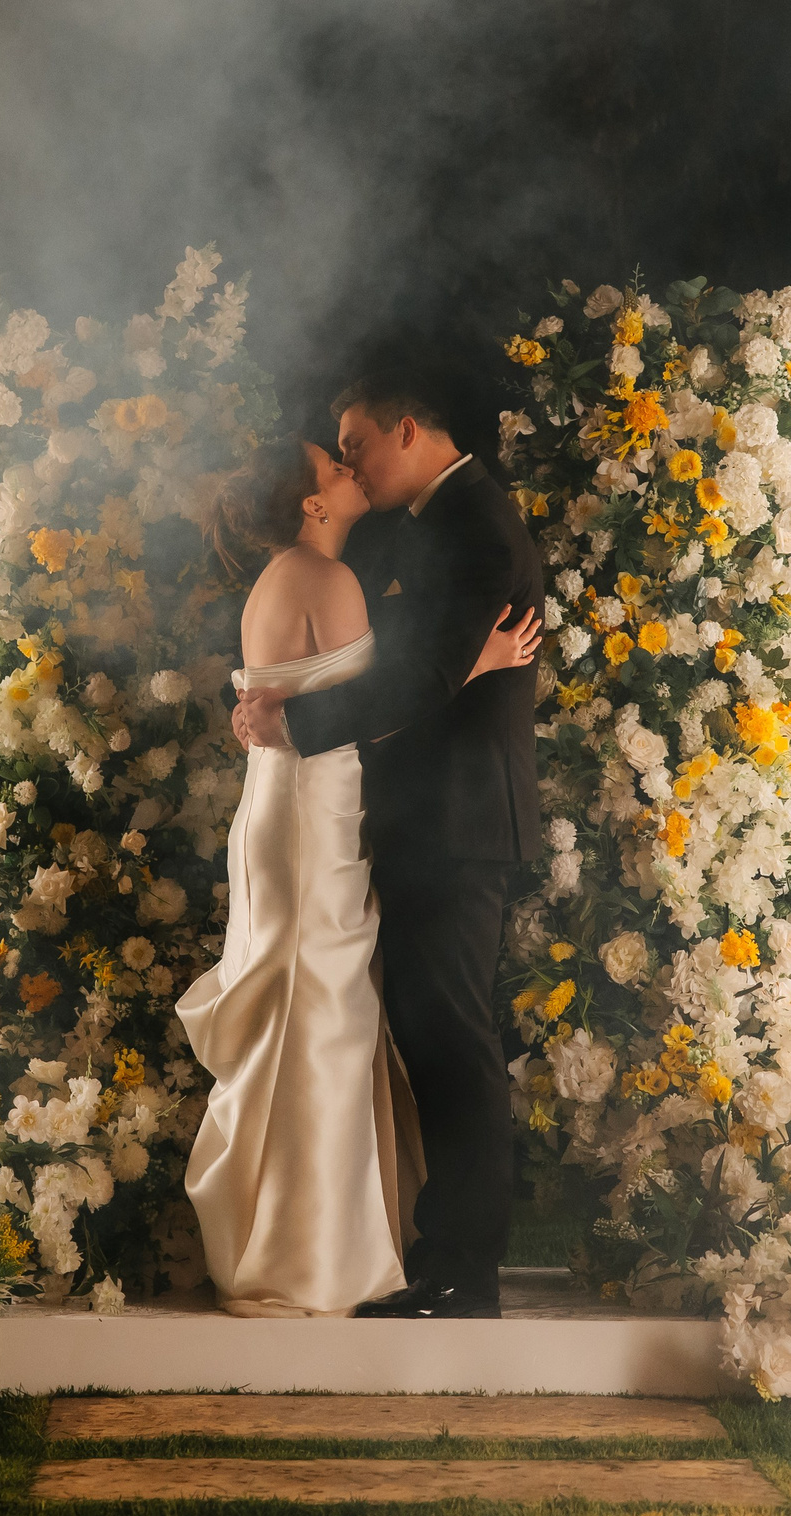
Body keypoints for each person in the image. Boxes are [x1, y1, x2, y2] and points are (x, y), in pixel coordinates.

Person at [179, 436, 539, 1317]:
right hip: (314, 818)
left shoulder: (286, 575)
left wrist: (268, 716)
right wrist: (481, 661)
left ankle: (292, 1237)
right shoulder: (326, 578)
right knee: (320, 1013)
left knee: (309, 1007)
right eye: (332, 466)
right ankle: (312, 1254)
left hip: (289, 808)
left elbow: (307, 698)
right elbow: (375, 713)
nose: (349, 469)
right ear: (312, 503)